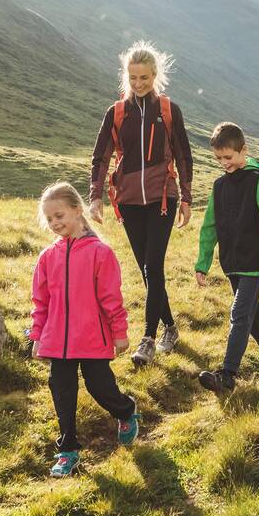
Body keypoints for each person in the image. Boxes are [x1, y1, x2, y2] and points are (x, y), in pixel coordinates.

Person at [89, 41, 193, 366]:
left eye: (144, 78)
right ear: (126, 77)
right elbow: (101, 155)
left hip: (163, 197)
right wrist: (95, 197)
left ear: (155, 75)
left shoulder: (168, 110)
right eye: (133, 78)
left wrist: (187, 197)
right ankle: (171, 328)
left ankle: (148, 338)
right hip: (130, 200)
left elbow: (183, 154)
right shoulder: (117, 113)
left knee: (154, 265)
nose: (138, 84)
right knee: (148, 271)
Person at [28, 181, 140, 477]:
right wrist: (37, 336)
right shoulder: (47, 257)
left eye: (59, 215)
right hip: (58, 342)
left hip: (92, 337)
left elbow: (111, 297)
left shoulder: (100, 253)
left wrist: (119, 333)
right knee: (62, 392)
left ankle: (126, 410)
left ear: (78, 211)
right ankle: (68, 450)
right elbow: (41, 302)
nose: (54, 223)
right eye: (49, 218)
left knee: (100, 387)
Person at [191, 122, 259, 394]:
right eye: (219, 158)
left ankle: (227, 375)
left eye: (229, 157)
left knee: (239, 314)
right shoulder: (219, 186)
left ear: (243, 151)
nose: (224, 163)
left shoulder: (258, 181)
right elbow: (209, 226)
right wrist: (203, 263)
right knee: (253, 318)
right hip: (232, 262)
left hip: (254, 261)